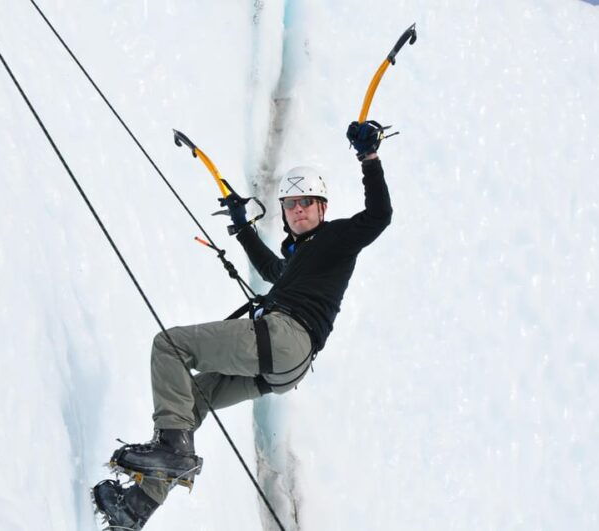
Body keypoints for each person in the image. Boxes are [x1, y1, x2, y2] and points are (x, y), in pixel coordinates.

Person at [93, 120, 393, 529]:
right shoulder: (302, 258)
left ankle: (173, 453)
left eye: (307, 201)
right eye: (290, 204)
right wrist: (241, 227)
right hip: (287, 368)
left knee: (170, 346)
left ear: (323, 207)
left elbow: (379, 215)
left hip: (285, 337)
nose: (298, 209)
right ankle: (137, 508)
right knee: (191, 401)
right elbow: (273, 270)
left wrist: (369, 157)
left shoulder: (337, 238)